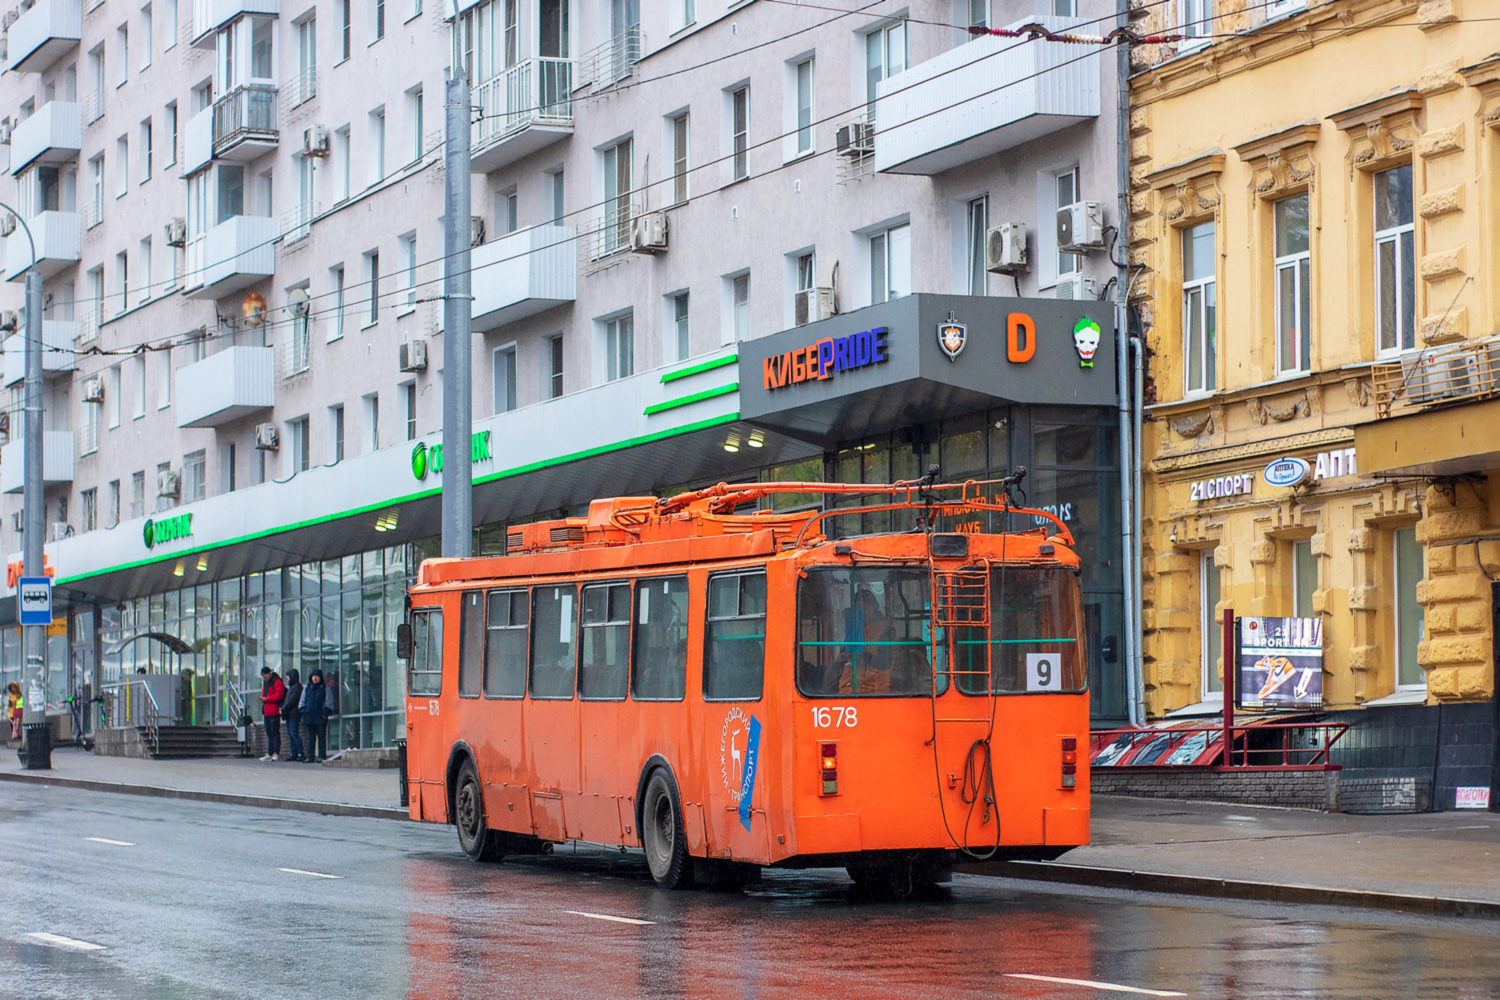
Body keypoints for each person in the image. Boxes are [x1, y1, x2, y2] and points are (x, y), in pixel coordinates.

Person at [300, 670, 332, 763]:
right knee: (311, 738)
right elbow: (302, 701)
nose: (315, 678)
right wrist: (303, 711)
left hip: (320, 717)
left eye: (317, 676)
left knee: (321, 737)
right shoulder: (307, 687)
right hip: (309, 717)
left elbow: (329, 702)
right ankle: (310, 756)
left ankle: (321, 756)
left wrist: (324, 713)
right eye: (313, 676)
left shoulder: (325, 688)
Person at [258, 667, 285, 761]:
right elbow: (263, 693)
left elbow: (279, 695)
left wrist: (267, 699)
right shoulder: (265, 683)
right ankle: (270, 752)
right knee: (269, 733)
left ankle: (276, 752)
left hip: (274, 711)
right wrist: (262, 698)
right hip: (266, 711)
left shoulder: (277, 682)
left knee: (275, 733)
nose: (264, 678)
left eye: (265, 676)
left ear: (269, 674)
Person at [282, 669, 305, 762]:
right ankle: (294, 752)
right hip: (289, 714)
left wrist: (284, 708)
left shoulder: (297, 687)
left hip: (294, 714)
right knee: (291, 734)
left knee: (293, 733)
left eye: (288, 677)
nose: (287, 679)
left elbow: (291, 701)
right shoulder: (292, 687)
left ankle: (300, 752)